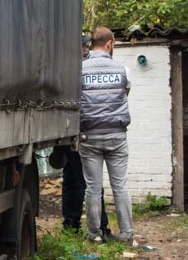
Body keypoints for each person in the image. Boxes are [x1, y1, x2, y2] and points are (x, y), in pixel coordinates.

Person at [79, 26, 133, 243]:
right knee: (120, 185)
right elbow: (125, 94)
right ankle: (127, 233)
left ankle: (94, 234)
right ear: (109, 43)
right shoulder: (123, 70)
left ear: (92, 43)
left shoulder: (80, 70)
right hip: (116, 135)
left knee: (93, 188)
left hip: (90, 136)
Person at [57, 34, 110, 234]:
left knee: (76, 178)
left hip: (75, 130)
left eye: (87, 45)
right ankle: (100, 228)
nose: (86, 49)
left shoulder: (75, 69)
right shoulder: (75, 70)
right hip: (77, 132)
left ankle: (72, 224)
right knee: (86, 180)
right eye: (82, 46)